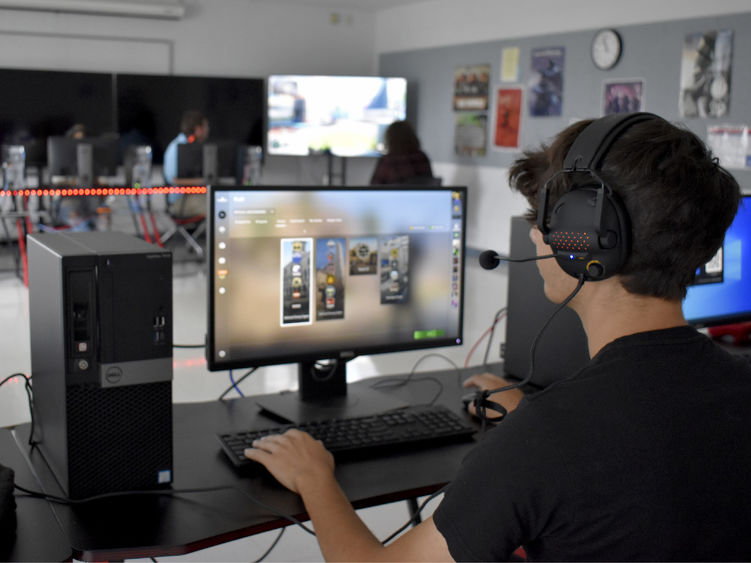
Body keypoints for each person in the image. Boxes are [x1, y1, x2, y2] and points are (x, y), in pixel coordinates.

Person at [244, 113, 751, 560]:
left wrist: (315, 478)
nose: (534, 235)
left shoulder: (547, 440)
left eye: (545, 220)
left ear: (589, 241)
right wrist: (533, 417)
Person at [370, 120, 434, 185]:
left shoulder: (388, 160)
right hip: (421, 195)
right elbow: (430, 184)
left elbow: (374, 187)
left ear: (390, 138)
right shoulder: (422, 157)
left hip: (394, 195)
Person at [162, 110, 209, 185]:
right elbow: (172, 180)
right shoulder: (175, 147)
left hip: (196, 194)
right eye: (206, 126)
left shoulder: (197, 146)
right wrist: (204, 182)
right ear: (198, 129)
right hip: (180, 196)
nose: (207, 130)